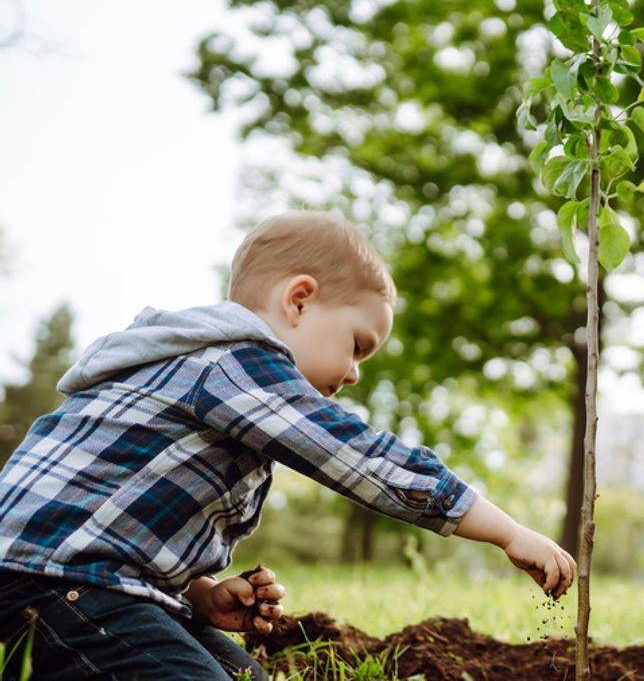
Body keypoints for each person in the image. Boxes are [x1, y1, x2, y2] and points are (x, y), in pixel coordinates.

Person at [0, 211, 575, 680]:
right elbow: (359, 455)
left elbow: (114, 527)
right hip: (45, 588)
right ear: (299, 300)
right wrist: (507, 530)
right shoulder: (234, 363)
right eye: (357, 345)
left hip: (86, 586)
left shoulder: (205, 375)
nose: (353, 373)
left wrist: (202, 597)